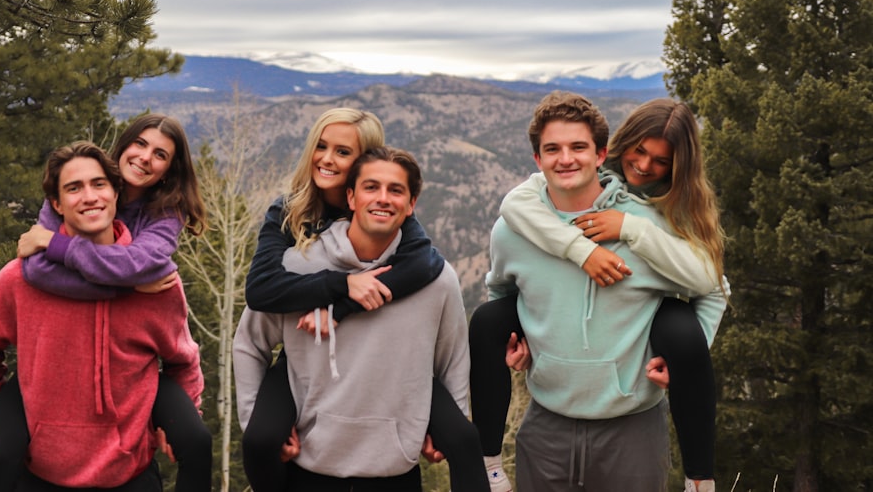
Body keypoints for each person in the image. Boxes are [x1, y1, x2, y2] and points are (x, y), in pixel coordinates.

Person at [470, 97, 727, 492]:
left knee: (679, 327)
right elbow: (501, 293)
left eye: (578, 147)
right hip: (546, 425)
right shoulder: (512, 230)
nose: (566, 159)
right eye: (553, 149)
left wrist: (688, 357)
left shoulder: (650, 226)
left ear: (601, 153)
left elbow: (712, 285)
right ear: (537, 159)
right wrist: (514, 340)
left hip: (632, 428)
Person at [239, 107, 487, 492]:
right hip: (308, 363)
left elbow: (426, 271)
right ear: (354, 194)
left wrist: (341, 308)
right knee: (258, 440)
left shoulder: (421, 257)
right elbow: (260, 294)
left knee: (464, 439)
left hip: (393, 404)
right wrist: (343, 285)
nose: (327, 159)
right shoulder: (290, 218)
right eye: (321, 147)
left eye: (343, 152)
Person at [0, 114, 212, 492]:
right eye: (139, 143)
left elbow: (139, 265)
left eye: (160, 154)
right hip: (49, 394)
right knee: (2, 453)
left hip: (132, 385)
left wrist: (63, 249)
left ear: (169, 171)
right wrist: (126, 289)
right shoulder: (78, 187)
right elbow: (37, 271)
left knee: (197, 441)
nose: (144, 157)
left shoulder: (165, 215)